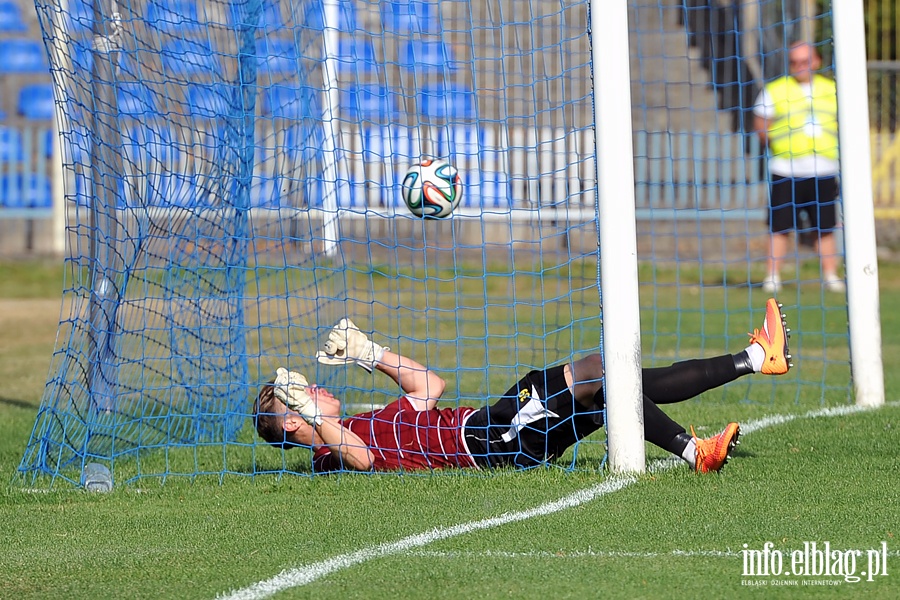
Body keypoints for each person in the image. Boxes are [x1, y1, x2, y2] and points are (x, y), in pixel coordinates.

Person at [254, 299, 792, 474]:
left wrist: (371, 354)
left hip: (491, 425)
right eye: (304, 393)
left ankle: (752, 360)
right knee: (598, 372)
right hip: (490, 441)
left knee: (613, 383)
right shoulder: (332, 451)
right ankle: (703, 440)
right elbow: (363, 461)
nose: (317, 387)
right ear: (295, 420)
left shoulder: (357, 421)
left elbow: (429, 387)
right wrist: (319, 420)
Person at [753, 41, 845, 294]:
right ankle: (772, 277)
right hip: (787, 169)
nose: (800, 67)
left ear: (816, 61)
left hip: (824, 169)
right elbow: (761, 122)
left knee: (825, 226)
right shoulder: (776, 89)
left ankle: (830, 275)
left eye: (805, 61)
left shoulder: (833, 89)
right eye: (794, 62)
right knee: (779, 226)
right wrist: (774, 142)